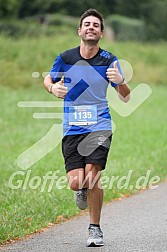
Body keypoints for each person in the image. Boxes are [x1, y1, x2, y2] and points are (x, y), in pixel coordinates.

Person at [44, 8, 130, 247]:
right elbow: (48, 79)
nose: (91, 27)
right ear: (79, 30)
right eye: (87, 24)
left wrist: (120, 81)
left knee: (93, 176)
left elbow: (126, 97)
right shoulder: (66, 57)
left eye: (96, 25)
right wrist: (52, 88)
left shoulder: (109, 60)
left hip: (99, 125)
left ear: (101, 33)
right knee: (76, 182)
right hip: (72, 128)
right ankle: (79, 189)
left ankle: (95, 228)